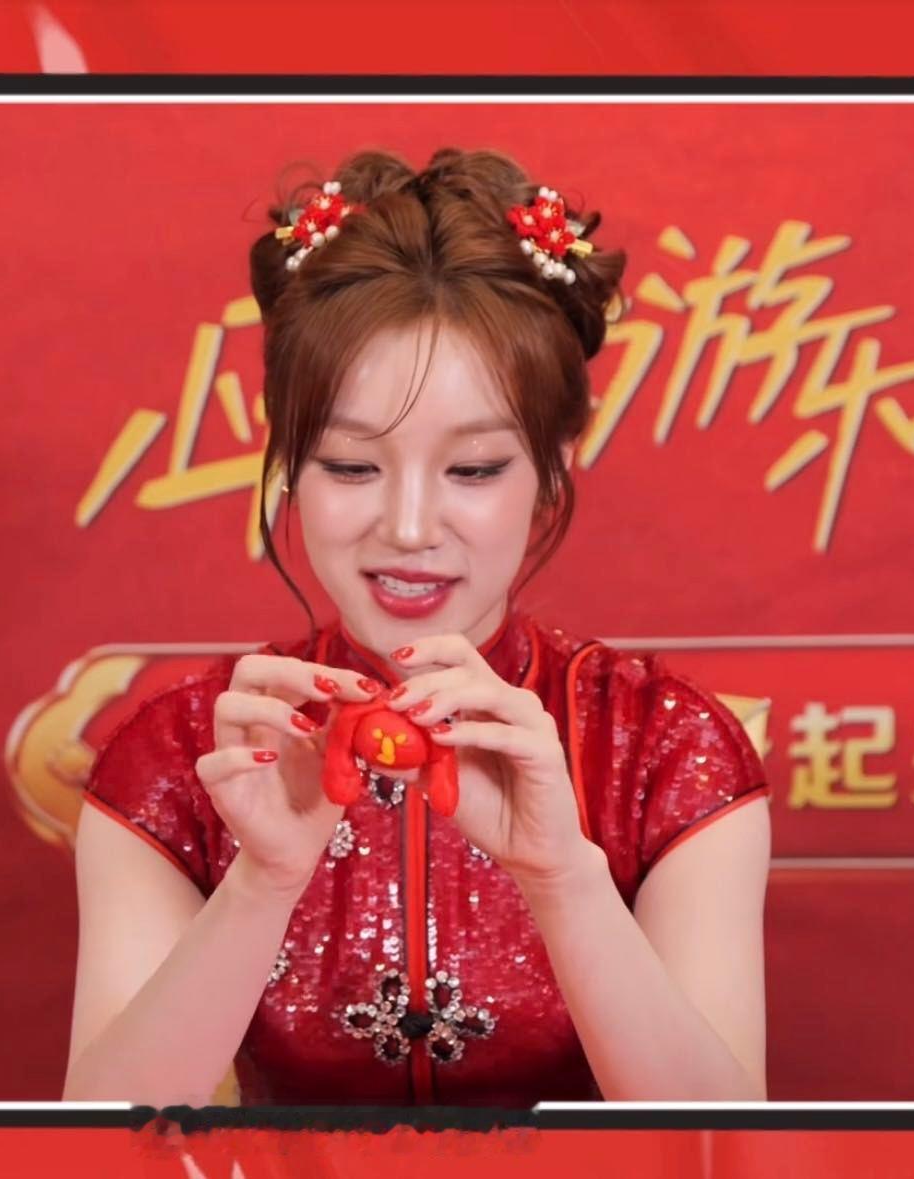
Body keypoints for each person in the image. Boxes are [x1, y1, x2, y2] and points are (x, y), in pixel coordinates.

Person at [64, 148, 771, 1107]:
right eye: (350, 466)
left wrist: (564, 878)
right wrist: (263, 882)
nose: (406, 528)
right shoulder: (185, 754)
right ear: (286, 458)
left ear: (553, 463)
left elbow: (719, 1148)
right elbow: (101, 1142)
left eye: (473, 470)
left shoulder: (663, 748)